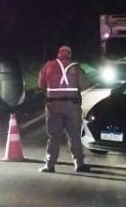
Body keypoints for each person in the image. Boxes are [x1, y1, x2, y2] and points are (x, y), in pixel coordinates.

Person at [37, 45, 90, 173]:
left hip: (53, 106)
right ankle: (79, 164)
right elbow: (85, 84)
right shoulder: (75, 67)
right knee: (74, 135)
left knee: (53, 136)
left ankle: (50, 165)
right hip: (72, 106)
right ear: (69, 55)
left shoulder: (48, 65)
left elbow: (40, 84)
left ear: (58, 54)